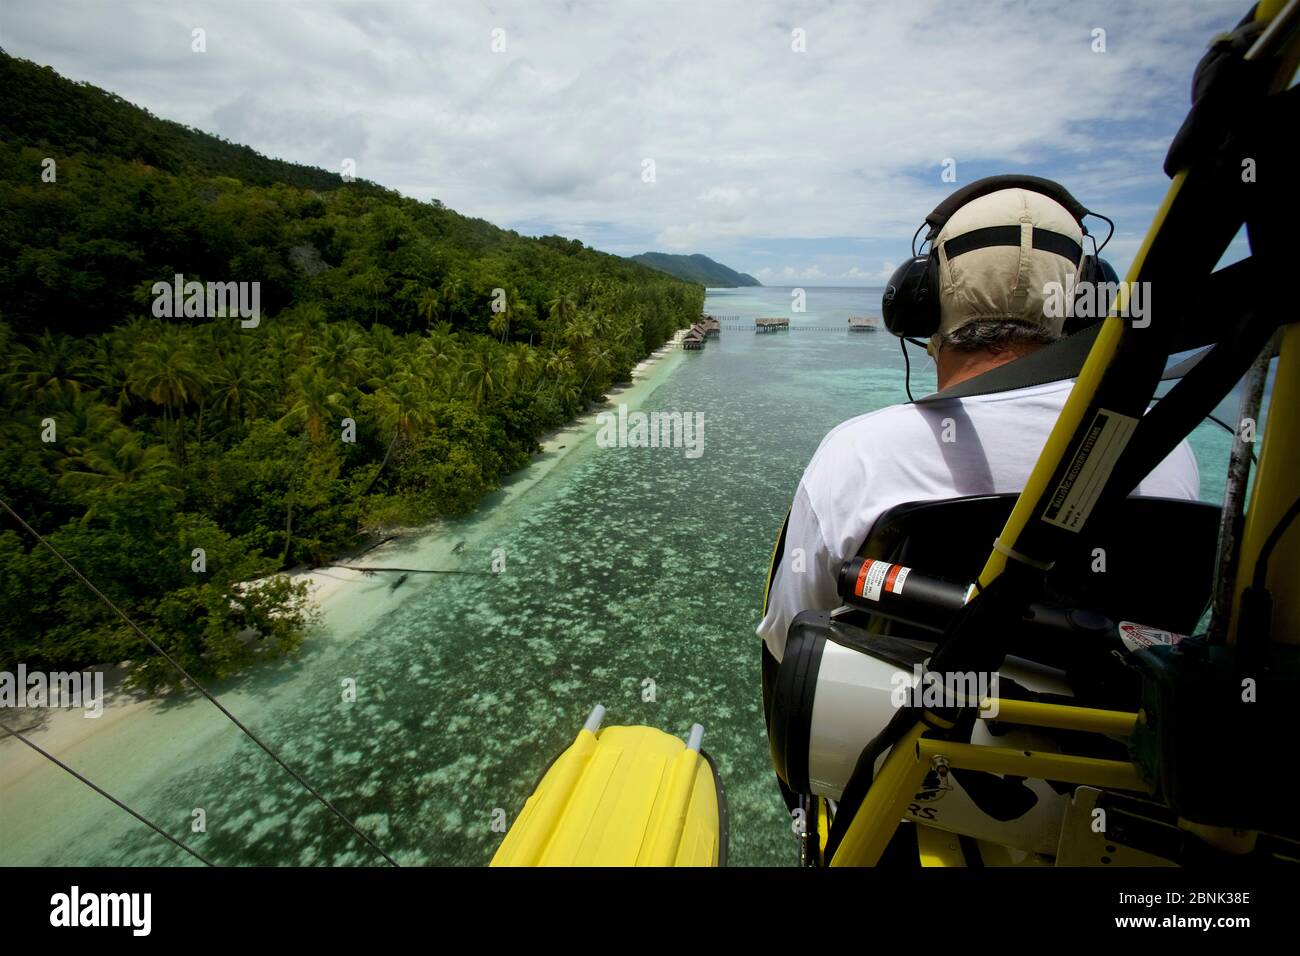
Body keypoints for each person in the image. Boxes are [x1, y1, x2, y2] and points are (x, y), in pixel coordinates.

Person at [756, 185, 1200, 669]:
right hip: (1109, 737)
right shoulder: (1166, 451)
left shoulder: (862, 455)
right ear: (1084, 302)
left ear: (919, 303)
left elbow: (788, 637)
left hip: (904, 740)